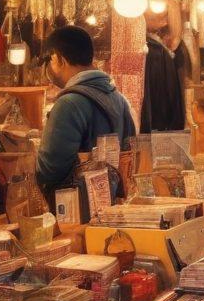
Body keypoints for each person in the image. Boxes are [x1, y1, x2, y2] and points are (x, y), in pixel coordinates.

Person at [36, 25, 137, 197]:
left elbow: (50, 170)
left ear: (58, 58)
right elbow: (129, 153)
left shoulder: (69, 103)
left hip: (75, 210)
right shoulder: (118, 98)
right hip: (111, 207)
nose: (47, 69)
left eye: (48, 62)